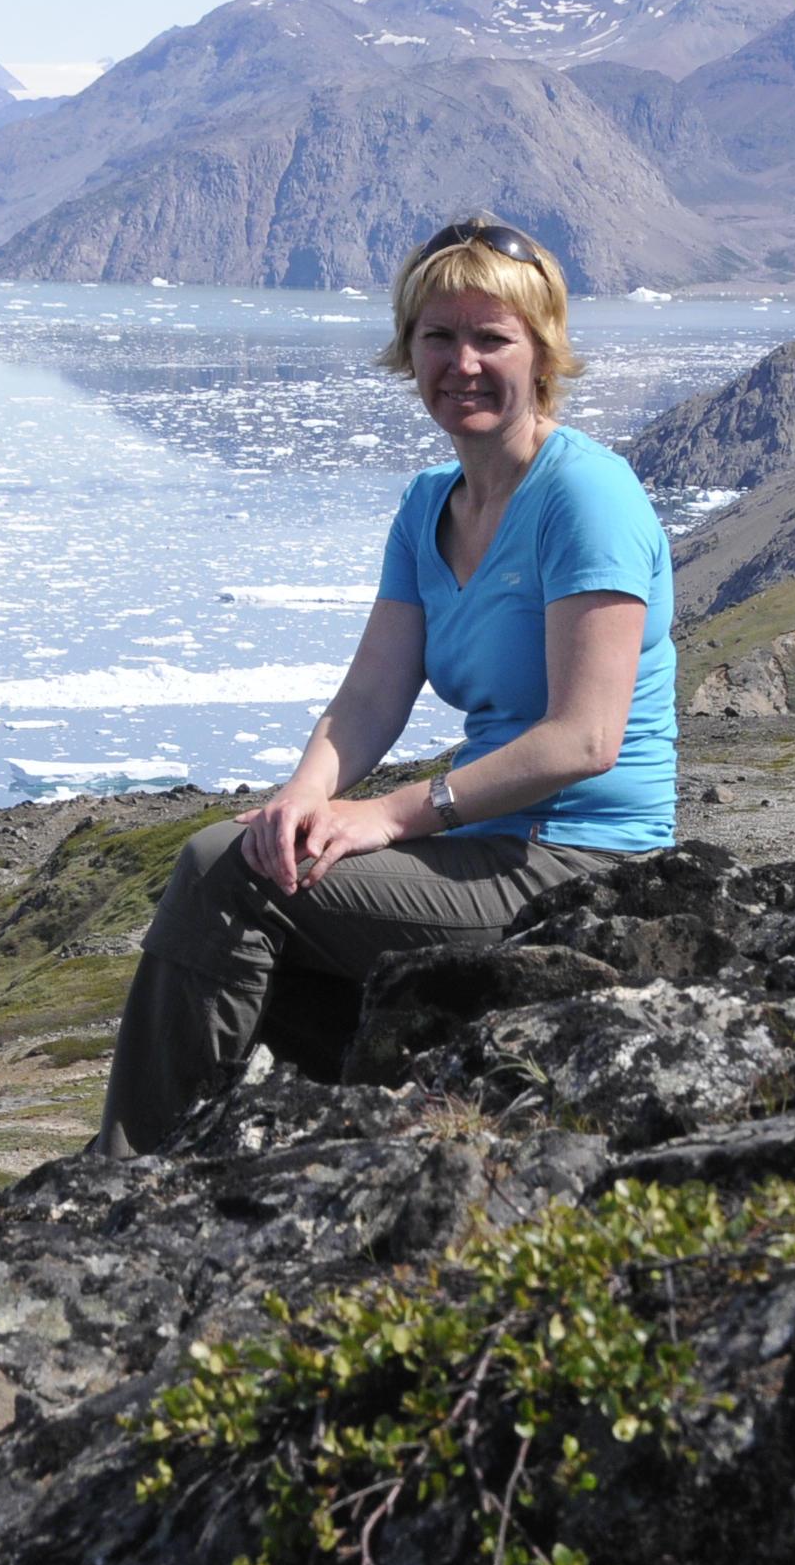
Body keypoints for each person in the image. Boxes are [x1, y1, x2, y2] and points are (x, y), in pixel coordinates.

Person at [93, 215, 677, 1156]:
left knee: (221, 874)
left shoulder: (584, 496)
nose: (464, 363)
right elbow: (369, 698)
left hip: (578, 864)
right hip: (487, 849)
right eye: (438, 336)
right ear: (408, 349)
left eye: (493, 337)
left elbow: (584, 739)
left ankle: (124, 1175)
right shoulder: (426, 508)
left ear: (542, 351)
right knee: (264, 861)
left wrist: (393, 815)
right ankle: (343, 1136)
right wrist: (302, 799)